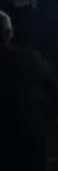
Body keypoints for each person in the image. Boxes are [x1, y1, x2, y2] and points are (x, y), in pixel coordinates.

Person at [0, 10, 52, 171]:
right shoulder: (28, 58)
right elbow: (51, 85)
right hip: (27, 133)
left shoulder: (28, 58)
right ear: (9, 32)